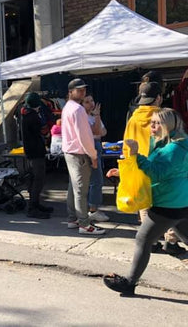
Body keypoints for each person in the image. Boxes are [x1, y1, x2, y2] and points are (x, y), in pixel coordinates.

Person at [103, 108, 188, 296]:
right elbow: (154, 169)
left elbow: (156, 172)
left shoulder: (173, 148)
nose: (152, 126)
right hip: (180, 201)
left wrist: (135, 154)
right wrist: (125, 172)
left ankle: (129, 283)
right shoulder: (174, 143)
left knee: (143, 238)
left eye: (157, 123)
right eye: (152, 122)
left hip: (168, 203)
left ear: (169, 125)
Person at [61, 79, 104, 235]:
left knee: (74, 187)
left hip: (70, 151)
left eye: (84, 90)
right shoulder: (78, 109)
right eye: (79, 90)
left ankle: (73, 219)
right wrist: (92, 155)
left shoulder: (68, 107)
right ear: (70, 91)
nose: (82, 92)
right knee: (80, 189)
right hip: (79, 153)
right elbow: (85, 136)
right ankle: (84, 224)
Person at [20, 92, 53, 219]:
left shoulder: (25, 114)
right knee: (38, 179)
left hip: (30, 150)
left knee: (34, 179)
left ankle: (36, 204)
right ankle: (32, 207)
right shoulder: (32, 116)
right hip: (36, 151)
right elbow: (43, 131)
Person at [82, 94, 109, 222]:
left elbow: (103, 132)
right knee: (95, 180)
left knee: (96, 179)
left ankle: (92, 208)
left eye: (92, 100)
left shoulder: (93, 116)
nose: (91, 104)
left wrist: (97, 118)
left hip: (96, 147)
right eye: (87, 102)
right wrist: (97, 117)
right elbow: (98, 132)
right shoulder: (84, 117)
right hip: (90, 149)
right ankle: (93, 209)